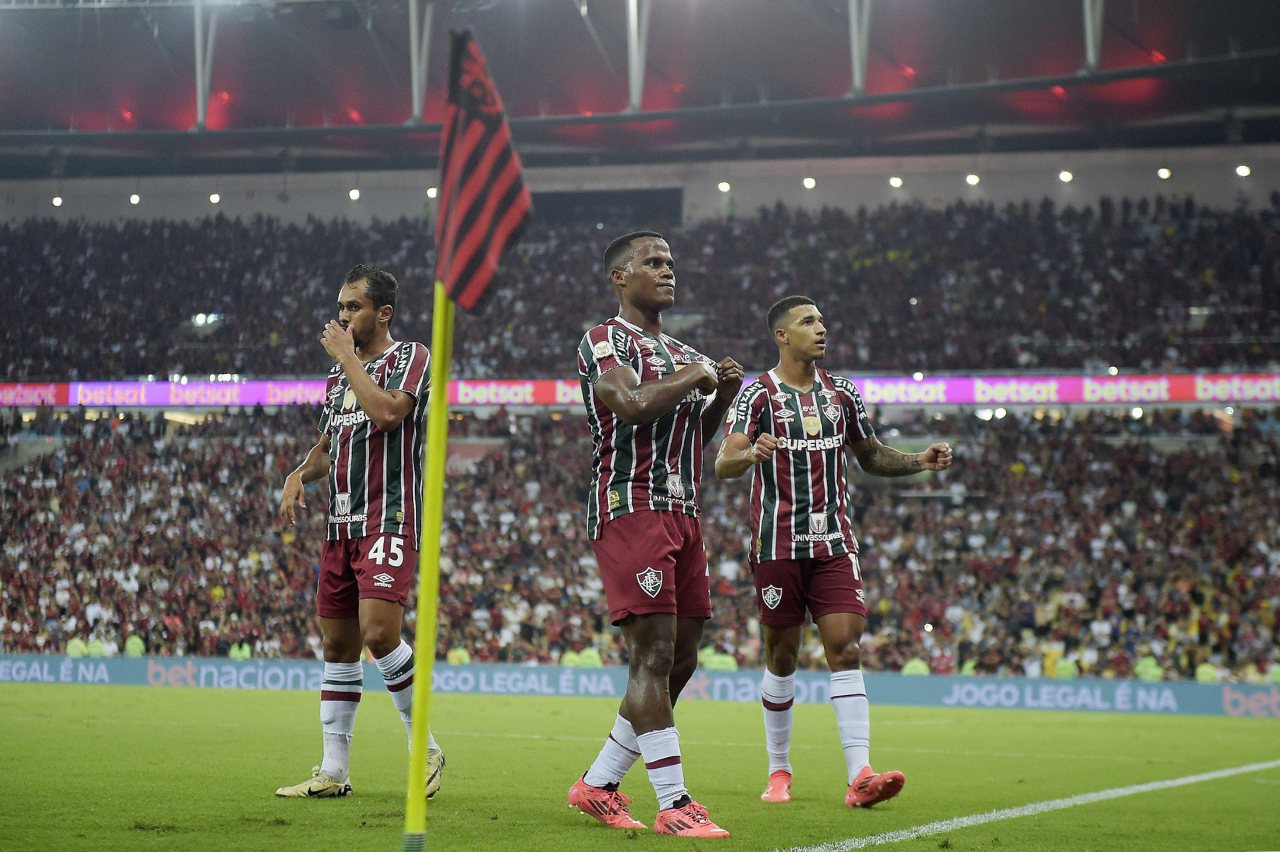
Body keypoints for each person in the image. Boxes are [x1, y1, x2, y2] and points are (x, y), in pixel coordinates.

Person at [715, 295, 952, 809]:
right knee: (782, 658)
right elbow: (723, 463)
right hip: (776, 544)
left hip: (834, 545)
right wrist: (750, 453)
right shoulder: (757, 396)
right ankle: (779, 770)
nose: (820, 328)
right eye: (807, 322)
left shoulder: (842, 394)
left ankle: (859, 774)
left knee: (845, 648)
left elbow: (870, 456)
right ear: (782, 335)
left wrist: (920, 461)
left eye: (821, 319)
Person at [567, 231, 740, 839]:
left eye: (671, 263)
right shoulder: (603, 340)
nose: (668, 272)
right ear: (620, 276)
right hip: (630, 505)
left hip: (683, 511)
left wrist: (722, 396)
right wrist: (695, 375)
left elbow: (696, 436)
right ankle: (675, 802)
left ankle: (598, 783)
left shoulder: (684, 350)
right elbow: (633, 406)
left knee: (683, 658)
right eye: (654, 263)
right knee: (654, 654)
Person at [275, 264, 444, 800]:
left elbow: (390, 415)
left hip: (389, 516)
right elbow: (329, 446)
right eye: (341, 306)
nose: (343, 316)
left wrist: (348, 360)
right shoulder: (336, 379)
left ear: (383, 312)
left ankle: (427, 747)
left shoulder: (411, 358)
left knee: (378, 634)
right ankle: (333, 771)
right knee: (339, 645)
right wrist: (298, 473)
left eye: (353, 307)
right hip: (340, 523)